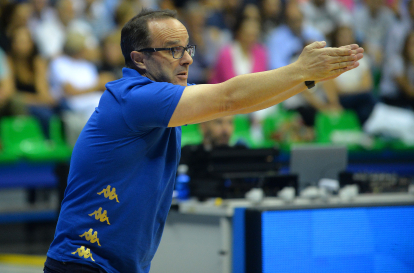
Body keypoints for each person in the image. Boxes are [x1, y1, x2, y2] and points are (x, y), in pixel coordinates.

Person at [44, 8, 363, 273]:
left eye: (187, 49)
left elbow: (243, 103)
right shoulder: (135, 98)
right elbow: (229, 99)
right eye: (172, 50)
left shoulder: (162, 102)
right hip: (82, 264)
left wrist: (307, 78)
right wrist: (297, 70)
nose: (186, 59)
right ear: (139, 59)